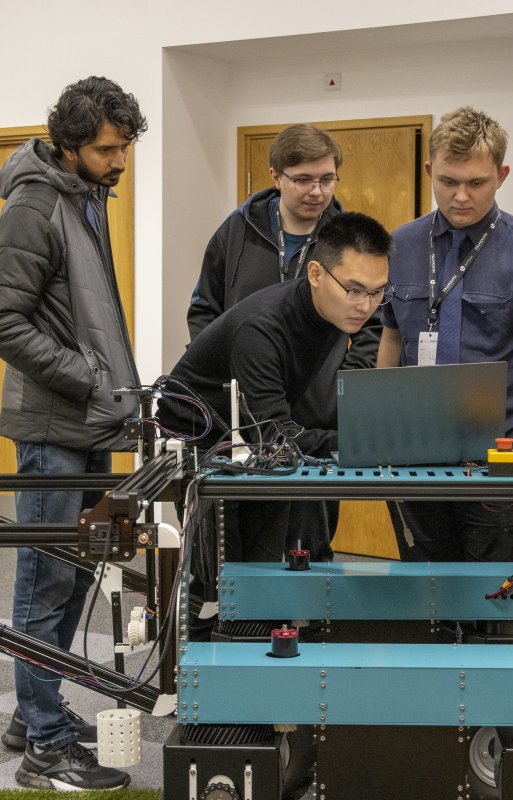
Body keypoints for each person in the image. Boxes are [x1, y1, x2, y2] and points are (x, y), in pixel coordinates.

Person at [0, 76, 147, 790]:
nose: (119, 160)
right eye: (106, 149)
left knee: (80, 567)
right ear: (68, 144)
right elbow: (6, 321)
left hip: (91, 420)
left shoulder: (86, 199)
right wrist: (89, 375)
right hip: (55, 422)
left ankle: (35, 713)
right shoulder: (34, 205)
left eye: (123, 147)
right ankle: (45, 752)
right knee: (46, 577)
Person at [377, 106, 513, 562]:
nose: (461, 196)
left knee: (494, 604)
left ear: (501, 175)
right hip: (413, 456)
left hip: (497, 465)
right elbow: (392, 340)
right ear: (429, 172)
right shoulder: (400, 246)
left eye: (476, 183)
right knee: (425, 597)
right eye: (448, 181)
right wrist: (378, 437)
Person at [187, 124, 378, 561]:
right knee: (243, 538)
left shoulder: (348, 238)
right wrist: (229, 378)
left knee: (307, 539)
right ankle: (245, 623)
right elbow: (204, 310)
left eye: (326, 179)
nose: (316, 191)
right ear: (276, 177)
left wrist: (346, 380)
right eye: (303, 179)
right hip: (243, 413)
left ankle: (304, 622)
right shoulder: (236, 231)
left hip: (314, 408)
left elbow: (372, 321)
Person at [158, 211, 392, 563]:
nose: (365, 306)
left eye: (377, 293)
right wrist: (368, 443)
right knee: (225, 573)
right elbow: (275, 437)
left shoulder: (334, 310)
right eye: (354, 290)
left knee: (276, 559)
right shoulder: (261, 329)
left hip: (251, 435)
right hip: (202, 440)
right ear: (315, 274)